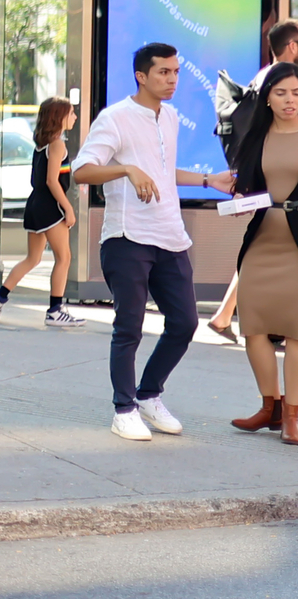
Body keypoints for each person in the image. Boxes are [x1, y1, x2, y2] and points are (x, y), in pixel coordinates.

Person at [73, 42, 238, 440]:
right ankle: (124, 408)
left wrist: (206, 180)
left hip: (170, 235)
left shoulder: (171, 119)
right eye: (164, 72)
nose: (172, 79)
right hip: (128, 237)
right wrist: (126, 169)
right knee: (128, 325)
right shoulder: (115, 118)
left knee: (184, 322)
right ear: (141, 76)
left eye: (177, 72)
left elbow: (162, 171)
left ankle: (149, 395)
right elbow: (81, 170)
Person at [207, 19, 298, 337]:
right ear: (293, 46)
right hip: (277, 181)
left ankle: (224, 314)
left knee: (261, 247)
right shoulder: (281, 82)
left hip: (269, 180)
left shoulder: (265, 78)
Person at [223, 61, 298, 436]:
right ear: (267, 97)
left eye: (297, 94)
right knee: (253, 327)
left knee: (296, 331)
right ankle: (270, 406)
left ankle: (293, 417)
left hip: (296, 248)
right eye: (281, 93)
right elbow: (247, 190)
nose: (289, 101)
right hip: (262, 241)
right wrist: (239, 200)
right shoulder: (256, 137)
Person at [0, 97, 80, 327]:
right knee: (64, 257)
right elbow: (52, 181)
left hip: (35, 205)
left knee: (33, 258)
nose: (74, 116)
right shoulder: (57, 144)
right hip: (50, 206)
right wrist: (68, 208)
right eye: (71, 112)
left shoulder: (41, 144)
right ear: (59, 117)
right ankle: (56, 310)